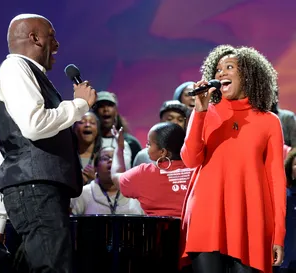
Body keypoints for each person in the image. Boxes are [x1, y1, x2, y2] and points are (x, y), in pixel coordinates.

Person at [0, 13, 96, 273]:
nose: (56, 45)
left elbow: (10, 155)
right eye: (52, 37)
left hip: (36, 192)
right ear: (34, 38)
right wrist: (79, 105)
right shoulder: (15, 68)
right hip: (35, 192)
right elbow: (35, 125)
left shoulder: (30, 75)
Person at [180, 45, 286, 273]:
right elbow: (190, 160)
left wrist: (278, 234)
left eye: (230, 67)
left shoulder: (269, 121)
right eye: (218, 69)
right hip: (207, 214)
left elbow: (276, 181)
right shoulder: (205, 112)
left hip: (251, 218)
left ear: (247, 75)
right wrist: (199, 113)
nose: (221, 74)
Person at [111, 122, 193, 217]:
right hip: (196, 231)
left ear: (162, 152)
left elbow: (115, 176)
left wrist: (119, 148)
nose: (146, 147)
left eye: (149, 144)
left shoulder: (143, 174)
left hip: (159, 231)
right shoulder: (198, 171)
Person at [71, 146, 144, 215]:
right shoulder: (83, 194)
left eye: (115, 158)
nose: (111, 160)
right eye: (105, 158)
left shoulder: (137, 195)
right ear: (95, 168)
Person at [92, 91, 142, 167]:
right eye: (101, 106)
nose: (106, 109)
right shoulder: (88, 143)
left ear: (116, 111)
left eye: (110, 105)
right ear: (95, 112)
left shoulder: (130, 142)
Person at [133, 100, 189, 166]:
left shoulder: (191, 153)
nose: (175, 122)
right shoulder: (143, 156)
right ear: (161, 121)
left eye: (180, 120)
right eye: (169, 119)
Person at [74, 111, 102, 185]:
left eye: (92, 123)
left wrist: (95, 179)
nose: (87, 125)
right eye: (82, 122)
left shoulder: (104, 157)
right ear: (74, 128)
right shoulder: (66, 156)